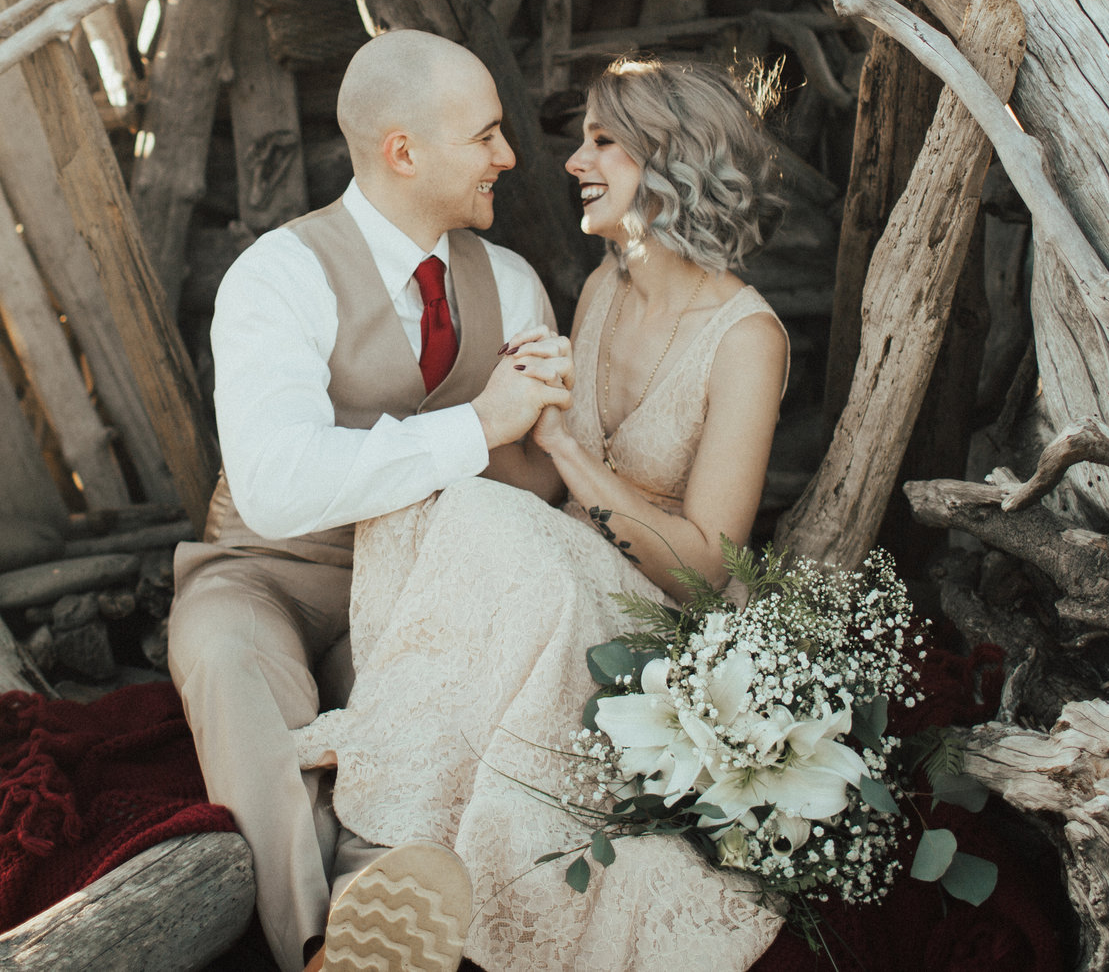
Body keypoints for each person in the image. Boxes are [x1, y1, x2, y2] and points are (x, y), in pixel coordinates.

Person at [296, 58, 792, 972]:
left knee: (503, 535)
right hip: (558, 572)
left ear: (671, 159)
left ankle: (386, 882)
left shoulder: (747, 339)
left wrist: (560, 449)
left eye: (603, 140)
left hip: (652, 626)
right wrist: (503, 409)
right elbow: (541, 486)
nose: (572, 160)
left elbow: (704, 572)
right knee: (436, 508)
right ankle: (397, 904)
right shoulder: (605, 289)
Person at [167, 29, 573, 972]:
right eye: (486, 135)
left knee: (425, 716)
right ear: (403, 151)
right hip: (267, 573)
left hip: (422, 587)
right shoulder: (278, 276)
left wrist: (535, 430)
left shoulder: (511, 287)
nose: (509, 157)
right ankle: (316, 947)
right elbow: (276, 486)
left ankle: (376, 920)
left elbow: (530, 496)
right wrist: (481, 422)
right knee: (232, 670)